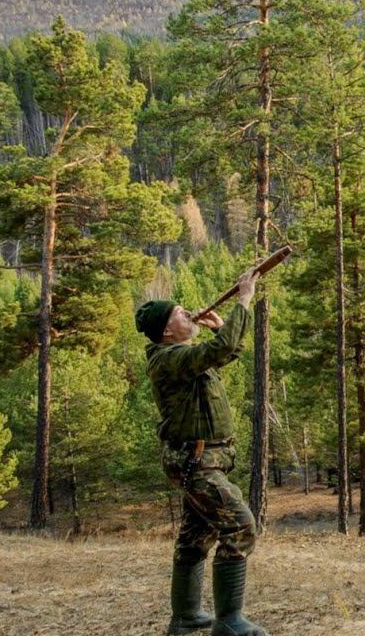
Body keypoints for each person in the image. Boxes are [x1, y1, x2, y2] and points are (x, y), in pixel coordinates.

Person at [135, 267, 265, 636]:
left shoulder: (181, 356)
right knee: (240, 526)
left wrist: (222, 327)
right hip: (197, 464)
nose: (188, 313)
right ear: (166, 330)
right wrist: (244, 298)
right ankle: (229, 621)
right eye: (180, 313)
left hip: (204, 461)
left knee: (196, 537)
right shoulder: (167, 359)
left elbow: (224, 352)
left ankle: (187, 616)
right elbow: (219, 350)